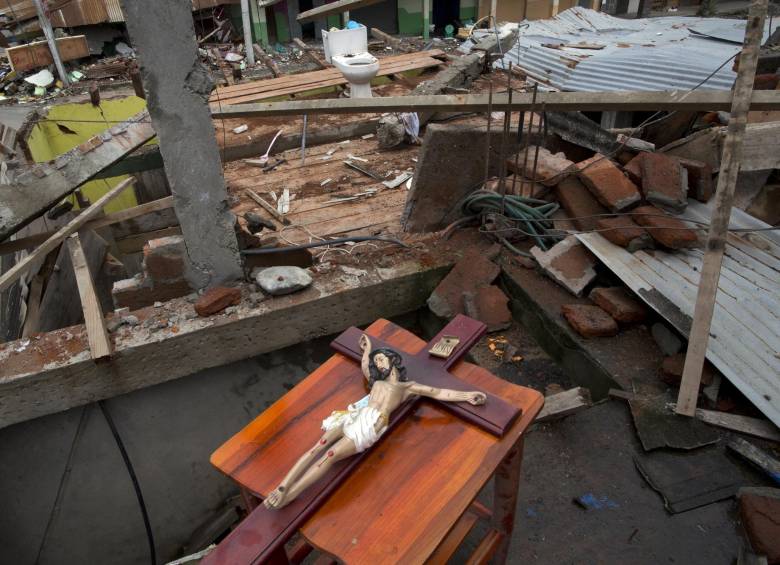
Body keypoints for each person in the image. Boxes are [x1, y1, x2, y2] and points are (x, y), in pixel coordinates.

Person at [263, 334, 487, 509]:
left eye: (382, 360)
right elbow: (364, 365)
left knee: (330, 456)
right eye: (377, 361)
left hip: (370, 425)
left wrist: (466, 396)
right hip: (356, 415)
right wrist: (368, 348)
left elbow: (438, 392)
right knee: (317, 447)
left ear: (393, 361)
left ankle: (290, 495)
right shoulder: (376, 382)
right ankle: (282, 486)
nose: (379, 364)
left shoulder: (407, 387)